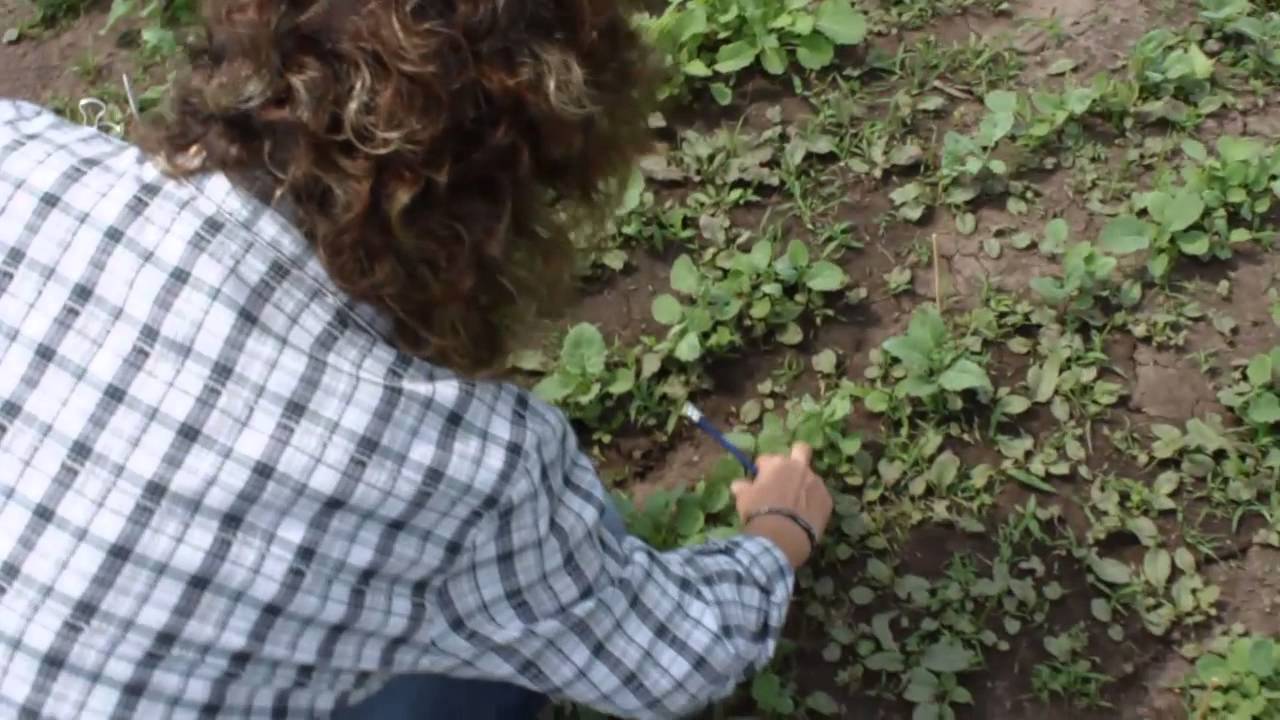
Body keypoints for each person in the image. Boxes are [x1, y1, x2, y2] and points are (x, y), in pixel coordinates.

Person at [0, 0, 833, 718]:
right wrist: (777, 534)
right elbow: (674, 660)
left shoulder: (25, 163)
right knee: (507, 626)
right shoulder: (471, 465)